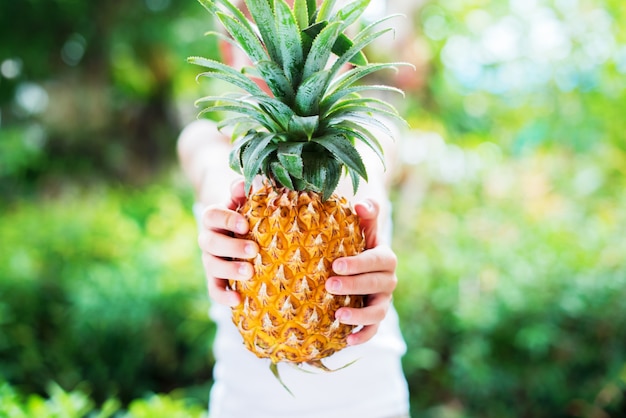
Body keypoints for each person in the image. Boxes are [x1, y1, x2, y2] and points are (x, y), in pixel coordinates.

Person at [178, 118, 410, 418]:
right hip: (246, 408)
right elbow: (209, 163)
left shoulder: (369, 133)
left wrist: (358, 201)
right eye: (261, 66)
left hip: (373, 406)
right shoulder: (207, 135)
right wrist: (232, 206)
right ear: (231, 67)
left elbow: (370, 164)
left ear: (348, 67)